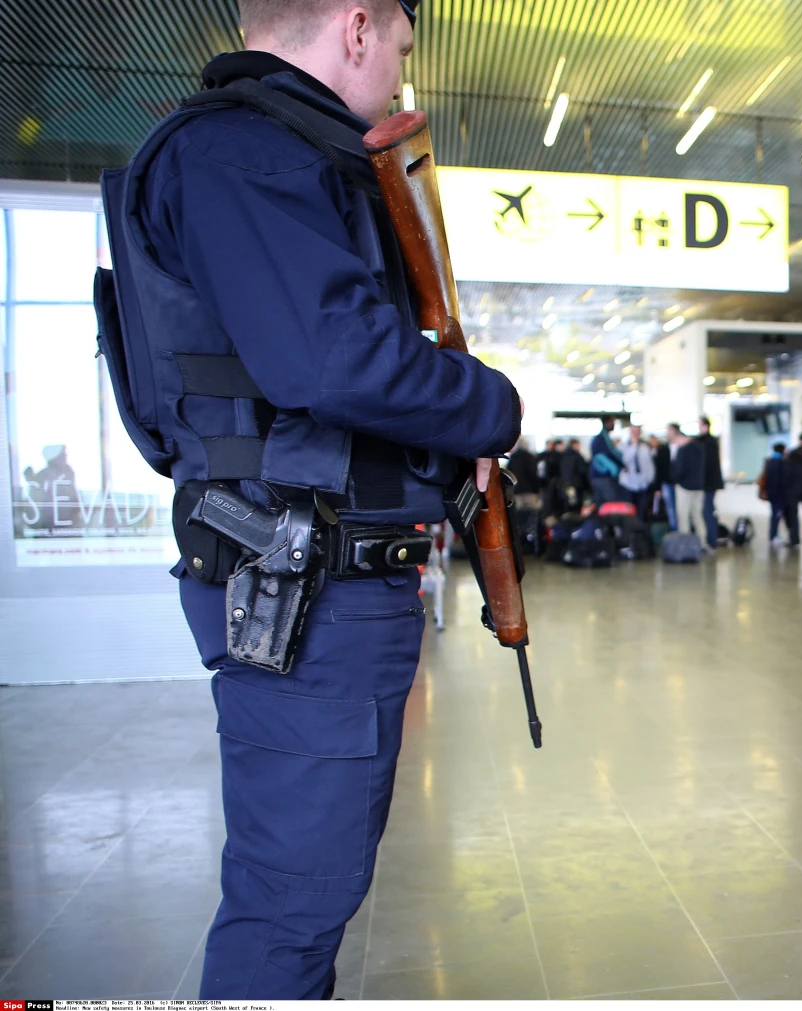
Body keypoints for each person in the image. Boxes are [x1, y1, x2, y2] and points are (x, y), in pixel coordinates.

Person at [102, 0, 525, 997]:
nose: (400, 81)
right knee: (291, 906)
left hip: (316, 585)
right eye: (403, 53)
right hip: (306, 599)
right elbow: (330, 361)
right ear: (358, 28)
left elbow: (313, 383)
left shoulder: (270, 155)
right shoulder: (248, 153)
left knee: (303, 894)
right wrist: (490, 408)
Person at [669, 424, 710, 548]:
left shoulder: (683, 450)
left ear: (680, 438)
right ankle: (702, 543)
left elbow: (679, 470)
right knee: (697, 516)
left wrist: (674, 479)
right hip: (699, 487)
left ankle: (685, 545)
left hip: (684, 487)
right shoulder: (700, 448)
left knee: (683, 517)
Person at [618, 423, 655, 516]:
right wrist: (634, 445)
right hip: (628, 484)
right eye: (634, 431)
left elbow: (649, 465)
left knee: (642, 511)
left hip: (642, 484)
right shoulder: (623, 446)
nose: (636, 434)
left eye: (638, 431)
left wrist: (649, 479)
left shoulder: (644, 447)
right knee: (629, 512)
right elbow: (625, 460)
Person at [589, 417, 625, 504]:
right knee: (610, 504)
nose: (613, 425)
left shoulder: (602, 438)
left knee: (599, 503)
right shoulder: (602, 439)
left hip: (598, 476)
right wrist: (622, 465)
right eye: (612, 422)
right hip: (603, 476)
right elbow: (611, 454)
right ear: (607, 423)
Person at [699, 415, 724, 542]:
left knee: (707, 511)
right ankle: (711, 538)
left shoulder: (708, 442)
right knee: (708, 510)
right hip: (710, 483)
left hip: (708, 484)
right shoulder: (709, 441)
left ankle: (711, 539)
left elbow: (707, 464)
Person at [760, 442, 788, 544]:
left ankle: (773, 535)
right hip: (779, 494)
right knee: (776, 515)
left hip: (771, 493)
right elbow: (782, 480)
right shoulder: (781, 463)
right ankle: (773, 536)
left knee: (774, 514)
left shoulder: (769, 462)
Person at [507, 436, 541, 511]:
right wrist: (536, 489)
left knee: (519, 513)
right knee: (532, 513)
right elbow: (533, 474)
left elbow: (509, 473)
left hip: (517, 490)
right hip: (530, 490)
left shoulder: (513, 457)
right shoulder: (530, 457)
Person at [559, 438, 588, 510]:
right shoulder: (577, 456)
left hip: (565, 484)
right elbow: (582, 470)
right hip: (576, 484)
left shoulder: (563, 456)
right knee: (576, 505)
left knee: (568, 503)